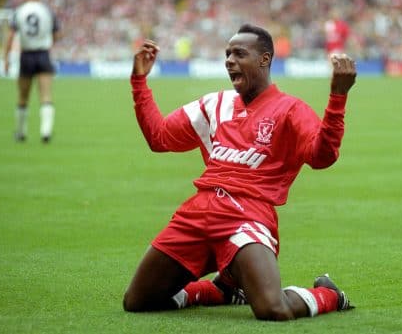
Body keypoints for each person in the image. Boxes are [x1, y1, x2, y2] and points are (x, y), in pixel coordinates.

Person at [123, 23, 357, 321]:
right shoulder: (214, 105)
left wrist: (337, 98)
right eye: (227, 54)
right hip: (198, 214)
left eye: (239, 53)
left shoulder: (290, 110)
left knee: (274, 309)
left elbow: (321, 157)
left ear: (265, 59)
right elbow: (159, 138)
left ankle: (329, 295)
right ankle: (219, 291)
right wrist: (139, 81)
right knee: (137, 301)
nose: (229, 60)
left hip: (246, 218)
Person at [4, 0, 60, 143]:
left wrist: (6, 59)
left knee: (23, 96)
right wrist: (49, 42)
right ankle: (45, 132)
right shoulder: (47, 11)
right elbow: (56, 33)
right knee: (46, 95)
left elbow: (10, 37)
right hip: (43, 54)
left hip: (26, 54)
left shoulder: (19, 11)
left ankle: (21, 133)